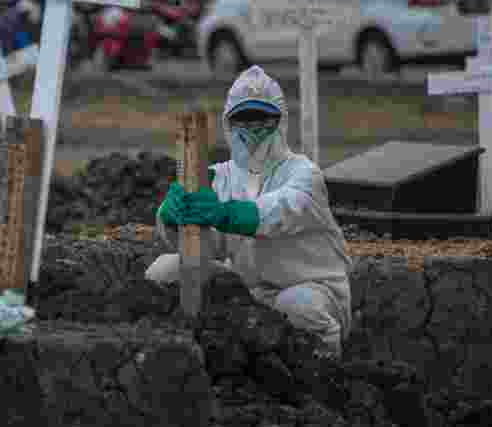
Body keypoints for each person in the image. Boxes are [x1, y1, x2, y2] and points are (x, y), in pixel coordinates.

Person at [146, 65, 355, 356]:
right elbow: (206, 249)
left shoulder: (305, 175)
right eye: (243, 120)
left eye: (262, 120)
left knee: (297, 306)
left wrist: (226, 214)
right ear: (229, 125)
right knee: (165, 270)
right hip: (249, 294)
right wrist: (172, 219)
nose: (252, 130)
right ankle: (181, 358)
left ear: (279, 123)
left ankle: (324, 371)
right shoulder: (218, 178)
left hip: (314, 290)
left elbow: (281, 211)